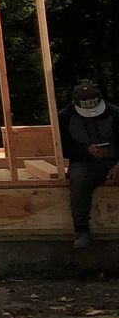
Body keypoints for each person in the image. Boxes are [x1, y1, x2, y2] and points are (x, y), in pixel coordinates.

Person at [59, 80, 119, 249]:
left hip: (113, 162)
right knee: (78, 179)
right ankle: (81, 231)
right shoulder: (64, 118)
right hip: (83, 163)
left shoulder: (115, 114)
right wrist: (86, 152)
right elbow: (63, 148)